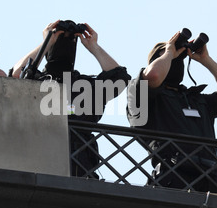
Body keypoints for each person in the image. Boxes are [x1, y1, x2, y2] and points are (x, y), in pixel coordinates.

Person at [127, 31, 217, 195]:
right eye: (169, 56)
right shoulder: (142, 95)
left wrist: (206, 61)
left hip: (211, 178)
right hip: (172, 176)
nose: (175, 58)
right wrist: (169, 51)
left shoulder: (196, 99)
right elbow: (153, 76)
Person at [11, 20, 131, 179]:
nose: (65, 44)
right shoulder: (36, 81)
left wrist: (93, 46)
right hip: (39, 167)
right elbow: (16, 75)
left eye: (70, 41)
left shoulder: (85, 86)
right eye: (60, 40)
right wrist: (47, 42)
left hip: (81, 169)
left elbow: (119, 79)